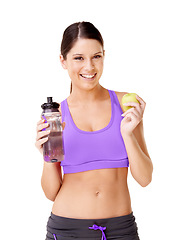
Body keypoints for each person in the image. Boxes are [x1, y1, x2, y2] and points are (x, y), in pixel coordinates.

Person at [35, 21, 153, 240]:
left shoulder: (126, 105)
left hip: (120, 230)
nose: (89, 67)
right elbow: (51, 193)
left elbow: (145, 178)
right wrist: (46, 155)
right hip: (67, 230)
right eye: (78, 58)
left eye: (96, 56)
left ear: (104, 56)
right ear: (63, 61)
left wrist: (127, 133)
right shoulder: (56, 116)